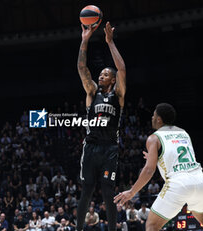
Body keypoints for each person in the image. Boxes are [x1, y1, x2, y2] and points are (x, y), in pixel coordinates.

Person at [114, 103, 203, 231]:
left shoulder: (154, 138)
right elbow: (178, 158)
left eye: (153, 115)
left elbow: (149, 170)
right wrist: (156, 159)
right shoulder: (183, 133)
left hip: (178, 184)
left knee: (152, 225)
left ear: (159, 119)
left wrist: (132, 192)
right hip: (200, 180)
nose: (152, 118)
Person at [76, 21, 126, 231]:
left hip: (109, 149)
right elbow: (81, 68)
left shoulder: (119, 95)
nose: (100, 76)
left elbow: (122, 68)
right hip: (91, 147)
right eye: (101, 74)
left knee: (108, 191)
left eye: (105, 75)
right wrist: (84, 41)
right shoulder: (92, 93)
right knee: (86, 191)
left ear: (113, 80)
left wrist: (110, 42)